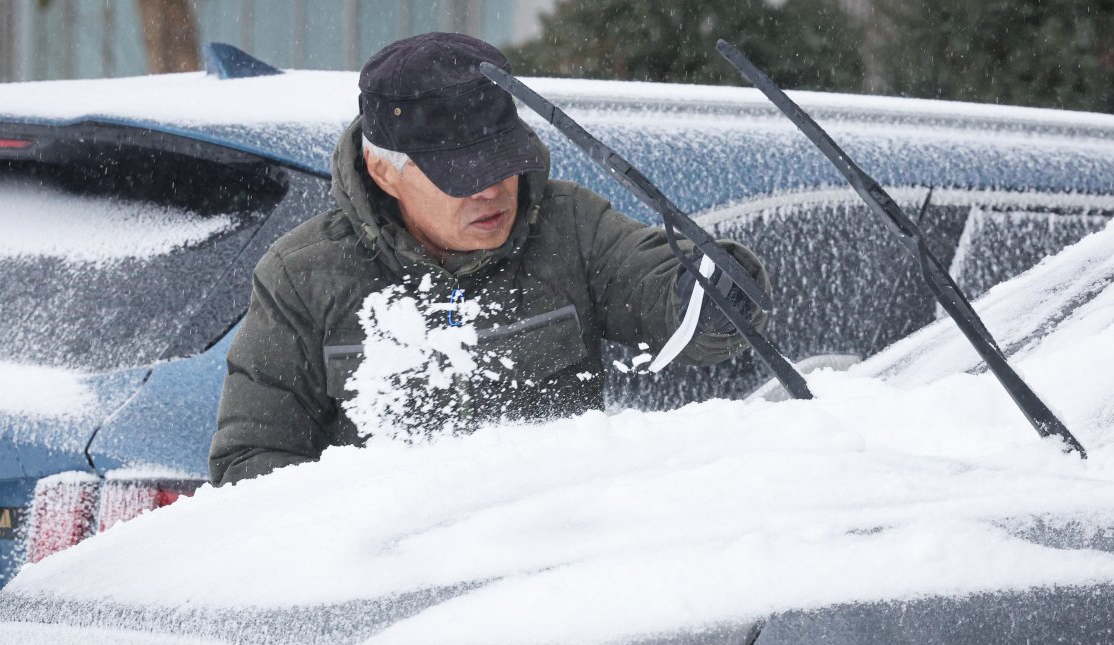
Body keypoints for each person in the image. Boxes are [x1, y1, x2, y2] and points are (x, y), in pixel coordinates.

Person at [208, 32, 771, 486]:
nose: (493, 191)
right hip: (390, 590)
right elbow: (250, 467)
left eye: (504, 162)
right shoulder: (302, 277)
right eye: (463, 175)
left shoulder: (569, 228)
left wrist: (712, 294)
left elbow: (660, 289)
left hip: (550, 572)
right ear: (385, 171)